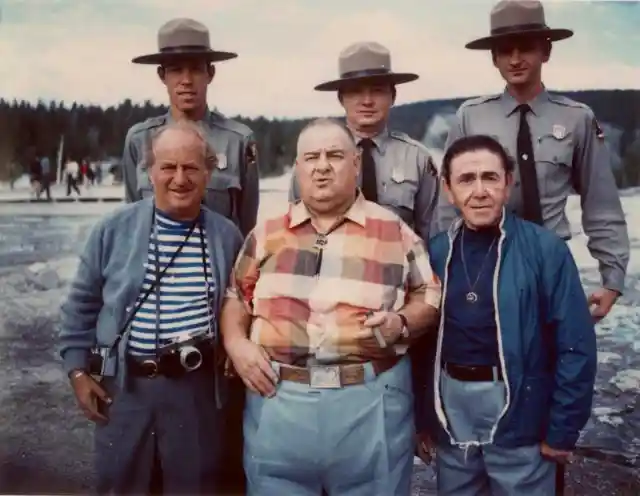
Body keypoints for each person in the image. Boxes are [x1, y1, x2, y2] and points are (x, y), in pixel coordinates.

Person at [221, 118, 442, 496]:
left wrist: (402, 323)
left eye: (335, 155)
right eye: (311, 157)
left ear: (355, 164)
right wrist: (236, 344)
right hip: (277, 404)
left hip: (369, 405)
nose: (322, 165)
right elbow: (236, 296)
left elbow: (430, 295)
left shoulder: (394, 230)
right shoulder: (267, 233)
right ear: (298, 168)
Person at [58, 121, 244, 495]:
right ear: (149, 171)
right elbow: (81, 305)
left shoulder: (227, 237)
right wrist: (78, 371)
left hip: (196, 394)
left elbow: (240, 306)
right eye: (168, 167)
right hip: (125, 390)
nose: (179, 178)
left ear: (208, 172)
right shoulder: (113, 230)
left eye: (191, 167)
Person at [121, 17, 260, 492]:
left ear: (210, 73)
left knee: (213, 448)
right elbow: (132, 231)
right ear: (161, 76)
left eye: (195, 69)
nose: (185, 79)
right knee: (144, 454)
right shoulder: (139, 139)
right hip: (152, 312)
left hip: (212, 311)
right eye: (174, 69)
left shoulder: (238, 141)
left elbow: (245, 240)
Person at [417, 134, 597, 495]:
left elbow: (575, 347)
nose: (480, 190)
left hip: (520, 410)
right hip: (452, 411)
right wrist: (423, 419)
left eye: (490, 177)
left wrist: (562, 430)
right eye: (467, 180)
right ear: (448, 189)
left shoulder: (544, 251)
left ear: (508, 184)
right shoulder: (434, 254)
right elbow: (420, 347)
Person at [434, 0, 629, 324]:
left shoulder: (577, 119)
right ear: (494, 58)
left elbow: (601, 202)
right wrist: (448, 265)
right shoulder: (471, 116)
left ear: (546, 51)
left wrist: (613, 278)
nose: (515, 59)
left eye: (525, 48)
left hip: (551, 263)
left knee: (558, 358)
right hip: (486, 261)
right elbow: (448, 201)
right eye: (504, 50)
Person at [290, 41, 439, 243]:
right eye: (355, 92)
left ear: (393, 96)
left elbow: (431, 235)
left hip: (397, 267)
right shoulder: (314, 158)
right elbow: (295, 228)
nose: (367, 101)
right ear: (341, 98)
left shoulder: (417, 159)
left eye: (377, 91)